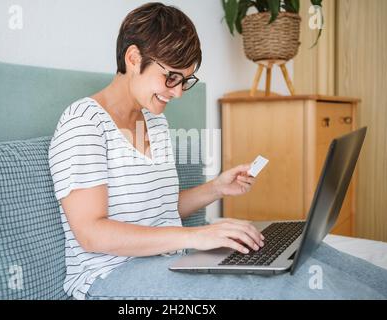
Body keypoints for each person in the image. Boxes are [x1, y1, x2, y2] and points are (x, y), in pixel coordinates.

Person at [48, 2, 264, 300]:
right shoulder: (83, 123)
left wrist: (216, 188)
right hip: (109, 279)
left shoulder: (155, 120)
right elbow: (91, 234)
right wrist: (196, 235)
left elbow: (160, 209)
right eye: (171, 77)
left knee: (278, 265)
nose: (177, 92)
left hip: (165, 264)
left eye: (185, 80)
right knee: (255, 289)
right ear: (134, 58)